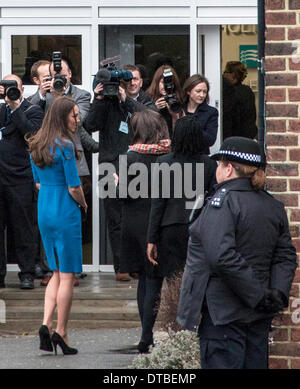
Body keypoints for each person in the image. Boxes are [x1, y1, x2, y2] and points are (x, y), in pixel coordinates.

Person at [176, 136, 297, 369]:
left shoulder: (223, 203)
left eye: (220, 164)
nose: (217, 170)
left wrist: (258, 295)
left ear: (229, 168)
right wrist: (275, 294)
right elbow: (285, 256)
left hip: (224, 316)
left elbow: (221, 256)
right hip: (258, 315)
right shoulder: (273, 205)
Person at [143, 116, 217, 353]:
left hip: (168, 228)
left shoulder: (164, 162)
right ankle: (194, 331)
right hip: (198, 228)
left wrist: (151, 238)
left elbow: (158, 203)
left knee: (157, 282)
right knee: (196, 281)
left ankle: (146, 336)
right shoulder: (209, 165)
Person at [29, 58, 98, 286]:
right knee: (52, 218)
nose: (59, 78)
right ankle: (52, 269)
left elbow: (80, 121)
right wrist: (42, 95)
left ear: (70, 74)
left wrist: (60, 99)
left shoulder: (81, 95)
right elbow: (31, 116)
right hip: (48, 162)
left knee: (74, 219)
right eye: (52, 75)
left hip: (75, 163)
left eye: (63, 73)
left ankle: (72, 270)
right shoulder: (42, 96)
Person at [84, 64, 155, 281]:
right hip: (109, 165)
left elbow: (151, 121)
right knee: (115, 219)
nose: (131, 83)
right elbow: (90, 124)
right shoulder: (106, 100)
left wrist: (127, 101)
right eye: (127, 80)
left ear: (140, 82)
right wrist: (99, 99)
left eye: (135, 79)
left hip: (137, 165)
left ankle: (139, 263)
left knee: (137, 217)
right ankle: (121, 265)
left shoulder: (143, 102)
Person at [27, 96, 87, 355]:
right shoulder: (65, 145)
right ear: (62, 117)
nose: (77, 119)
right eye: (74, 115)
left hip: (45, 209)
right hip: (64, 209)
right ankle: (61, 331)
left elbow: (38, 183)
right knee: (68, 275)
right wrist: (84, 204)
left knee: (55, 272)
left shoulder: (36, 143)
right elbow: (74, 186)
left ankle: (45, 323)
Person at [116, 109, 171, 352]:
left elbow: (122, 195)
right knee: (155, 280)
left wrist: (117, 183)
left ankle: (145, 334)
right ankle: (147, 334)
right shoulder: (168, 156)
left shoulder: (129, 157)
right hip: (158, 223)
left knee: (142, 281)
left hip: (134, 225)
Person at [0, 74, 44, 290]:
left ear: (22, 90)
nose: (9, 91)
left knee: (23, 227)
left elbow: (32, 135)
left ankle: (26, 273)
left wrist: (15, 106)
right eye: (5, 87)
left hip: (20, 178)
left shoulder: (32, 110)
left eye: (13, 87)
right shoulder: (0, 111)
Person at [182, 74, 218, 154]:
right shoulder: (179, 109)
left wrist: (192, 126)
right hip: (179, 157)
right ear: (188, 91)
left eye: (204, 92)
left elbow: (210, 140)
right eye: (198, 91)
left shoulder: (211, 112)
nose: (202, 95)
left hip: (200, 157)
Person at [146, 65, 184, 138]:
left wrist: (175, 115)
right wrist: (154, 108)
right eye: (163, 82)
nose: (166, 86)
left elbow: (182, 133)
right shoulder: (147, 98)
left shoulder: (179, 99)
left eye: (170, 83)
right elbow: (144, 127)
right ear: (157, 83)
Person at [223, 61, 258, 139]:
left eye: (225, 72)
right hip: (249, 134)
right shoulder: (247, 90)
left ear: (232, 74)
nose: (224, 74)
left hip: (235, 136)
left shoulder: (229, 91)